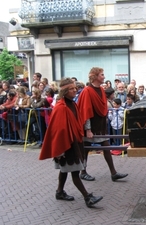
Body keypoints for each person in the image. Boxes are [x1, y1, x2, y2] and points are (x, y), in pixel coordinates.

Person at [39, 78, 103, 208]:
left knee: (65, 170)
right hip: (67, 144)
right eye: (72, 89)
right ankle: (87, 197)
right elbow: (58, 130)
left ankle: (59, 192)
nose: (75, 90)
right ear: (65, 91)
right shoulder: (61, 107)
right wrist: (59, 149)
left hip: (75, 141)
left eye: (75, 88)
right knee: (74, 171)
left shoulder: (72, 104)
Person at [77, 67, 128, 182]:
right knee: (86, 148)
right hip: (91, 125)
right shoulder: (87, 91)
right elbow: (86, 111)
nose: (104, 77)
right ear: (95, 77)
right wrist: (88, 129)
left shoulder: (100, 89)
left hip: (100, 125)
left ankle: (113, 173)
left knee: (105, 146)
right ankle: (83, 172)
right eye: (101, 75)